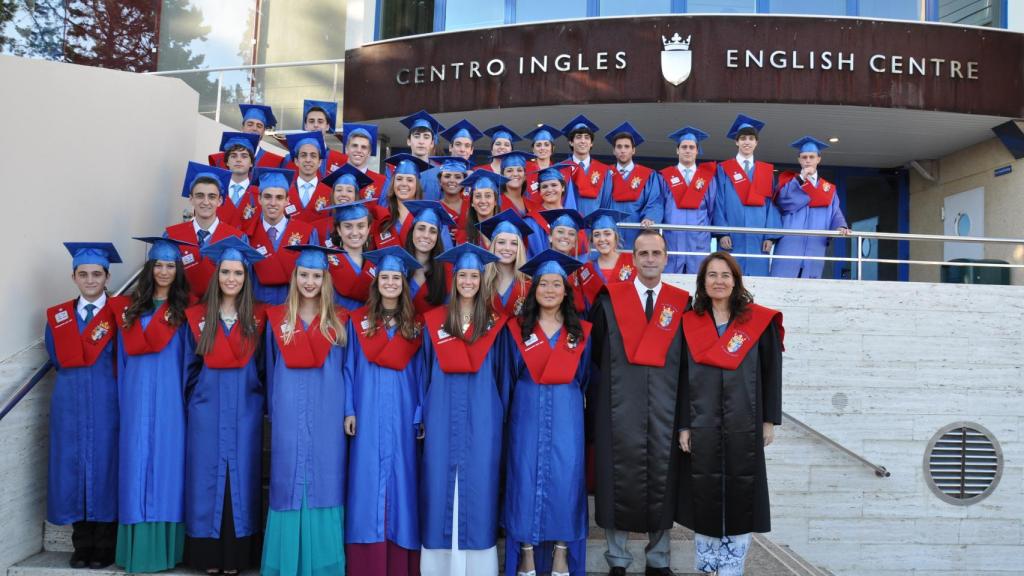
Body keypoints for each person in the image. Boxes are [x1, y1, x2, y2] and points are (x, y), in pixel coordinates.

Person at [589, 229, 690, 576]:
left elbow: (689, 362)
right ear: (632, 258)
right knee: (616, 481)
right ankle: (617, 560)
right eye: (643, 253)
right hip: (617, 406)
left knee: (663, 480)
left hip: (666, 406)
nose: (649, 259)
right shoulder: (608, 301)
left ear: (666, 258)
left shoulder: (682, 303)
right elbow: (597, 356)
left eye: (656, 253)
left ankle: (658, 559)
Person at [677, 251, 783, 576]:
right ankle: (708, 564)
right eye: (712, 275)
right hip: (701, 419)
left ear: (736, 281)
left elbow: (771, 371)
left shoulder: (757, 322)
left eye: (726, 275)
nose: (719, 281)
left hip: (745, 419)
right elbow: (680, 375)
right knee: (704, 489)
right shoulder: (690, 323)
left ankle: (732, 564)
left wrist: (768, 419)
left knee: (742, 489)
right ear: (703, 281)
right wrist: (684, 425)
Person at [420, 243, 510, 576]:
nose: (468, 281)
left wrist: (500, 416)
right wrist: (422, 414)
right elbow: (424, 371)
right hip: (441, 415)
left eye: (474, 275)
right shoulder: (434, 323)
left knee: (480, 484)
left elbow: (502, 376)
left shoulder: (495, 326)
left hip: (483, 417)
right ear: (454, 278)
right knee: (437, 481)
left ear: (482, 279)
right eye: (463, 276)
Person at [262, 243, 350, 576]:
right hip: (287, 408)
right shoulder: (278, 320)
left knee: (325, 478)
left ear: (325, 279)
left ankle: (324, 563)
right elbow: (270, 368)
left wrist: (348, 410)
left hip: (328, 410)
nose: (309, 282)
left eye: (316, 275)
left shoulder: (340, 322)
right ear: (294, 276)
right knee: (287, 476)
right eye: (304, 274)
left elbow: (347, 370)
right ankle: (286, 562)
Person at [504, 249, 592, 576]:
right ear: (534, 289)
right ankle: (526, 552)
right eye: (544, 284)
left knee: (566, 480)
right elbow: (510, 374)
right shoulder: (518, 330)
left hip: (568, 411)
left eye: (557, 284)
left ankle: (561, 552)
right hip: (526, 409)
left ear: (566, 291)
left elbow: (583, 377)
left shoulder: (580, 332)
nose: (550, 290)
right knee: (524, 478)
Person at [183, 236, 267, 575]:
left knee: (241, 479)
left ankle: (235, 557)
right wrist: (198, 400)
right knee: (206, 479)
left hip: (245, 410)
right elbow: (189, 368)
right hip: (207, 411)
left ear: (246, 278)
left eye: (238, 273)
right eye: (225, 272)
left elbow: (264, 366)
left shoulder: (258, 319)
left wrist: (255, 399)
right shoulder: (198, 318)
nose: (231, 279)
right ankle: (208, 557)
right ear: (216, 276)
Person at [110, 236, 195, 573]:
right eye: (158, 265)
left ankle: (166, 549)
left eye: (170, 265)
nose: (163, 270)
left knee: (167, 470)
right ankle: (135, 550)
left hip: (171, 402)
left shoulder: (186, 311)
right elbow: (121, 361)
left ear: (178, 270)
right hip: (134, 399)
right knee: (135, 467)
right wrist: (124, 400)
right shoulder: (131, 310)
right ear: (149, 269)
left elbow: (189, 362)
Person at [342, 247, 427, 576]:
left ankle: (399, 558)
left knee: (402, 480)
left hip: (404, 415)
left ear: (404, 284)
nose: (390, 282)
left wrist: (420, 410)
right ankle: (367, 561)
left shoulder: (415, 326)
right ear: (376, 282)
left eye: (396, 278)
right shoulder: (359, 322)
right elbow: (348, 368)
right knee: (365, 482)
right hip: (368, 412)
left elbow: (422, 372)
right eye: (385, 277)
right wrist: (349, 408)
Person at [45, 242, 122, 569]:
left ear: (107, 276)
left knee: (105, 467)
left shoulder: (119, 313)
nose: (90, 280)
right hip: (70, 403)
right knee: (73, 468)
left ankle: (105, 544)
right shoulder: (58, 317)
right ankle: (82, 543)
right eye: (83, 274)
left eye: (96, 274)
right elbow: (55, 357)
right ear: (73, 277)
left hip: (107, 401)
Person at [770, 137, 851, 279]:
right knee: (782, 283)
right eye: (804, 157)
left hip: (815, 244)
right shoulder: (789, 182)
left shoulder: (828, 189)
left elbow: (835, 213)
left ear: (818, 159)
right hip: (789, 243)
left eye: (811, 157)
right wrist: (800, 180)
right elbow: (783, 202)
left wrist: (840, 226)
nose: (808, 160)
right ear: (799, 160)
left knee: (809, 287)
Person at [165, 162, 246, 301]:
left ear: (220, 200)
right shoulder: (172, 235)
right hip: (179, 309)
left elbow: (243, 282)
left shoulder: (236, 238)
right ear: (191, 199)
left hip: (219, 311)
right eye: (200, 196)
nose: (206, 202)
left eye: (212, 196)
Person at [713, 114, 781, 277]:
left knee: (758, 284)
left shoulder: (765, 171)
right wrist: (722, 232)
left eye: (751, 138)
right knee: (729, 279)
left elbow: (772, 205)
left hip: (758, 238)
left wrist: (769, 236)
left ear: (756, 142)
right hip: (732, 237)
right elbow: (718, 201)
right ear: (736, 142)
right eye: (743, 138)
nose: (747, 142)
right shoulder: (724, 169)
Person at [248, 167, 318, 305]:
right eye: (267, 196)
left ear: (287, 200)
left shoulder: (307, 233)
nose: (273, 203)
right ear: (259, 198)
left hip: (292, 309)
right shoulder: (247, 235)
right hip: (255, 310)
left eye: (279, 197)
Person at [661, 126, 717, 274]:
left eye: (692, 147)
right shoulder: (665, 177)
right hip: (673, 237)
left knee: (699, 281)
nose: (688, 150)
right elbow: (661, 205)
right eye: (684, 147)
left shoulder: (707, 178)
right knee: (671, 282)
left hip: (698, 237)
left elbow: (711, 209)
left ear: (697, 151)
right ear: (677, 150)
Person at [604, 122, 664, 246]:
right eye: (619, 147)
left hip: (637, 231)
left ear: (633, 150)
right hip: (610, 232)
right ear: (614, 151)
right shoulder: (605, 174)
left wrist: (650, 217)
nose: (623, 150)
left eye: (627, 146)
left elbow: (655, 201)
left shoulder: (648, 175)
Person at [323, 199, 378, 310]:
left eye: (361, 226)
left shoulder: (377, 263)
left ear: (368, 229)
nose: (355, 232)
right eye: (348, 226)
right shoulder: (326, 261)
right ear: (339, 230)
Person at [403, 200, 455, 317]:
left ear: (438, 237)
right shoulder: (398, 266)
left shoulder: (446, 273)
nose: (426, 235)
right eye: (421, 228)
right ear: (412, 232)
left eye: (433, 231)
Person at [478, 209, 532, 317]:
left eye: (514, 243)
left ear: (520, 248)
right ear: (493, 245)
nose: (507, 248)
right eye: (501, 242)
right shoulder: (481, 282)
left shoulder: (529, 284)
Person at [577, 209, 635, 307]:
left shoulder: (632, 262)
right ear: (592, 239)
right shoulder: (586, 269)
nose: (602, 239)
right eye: (596, 235)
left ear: (615, 236)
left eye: (607, 233)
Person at [377, 153, 431, 249]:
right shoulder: (383, 215)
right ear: (393, 183)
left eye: (410, 180)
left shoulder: (428, 215)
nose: (403, 184)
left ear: (417, 185)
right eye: (399, 179)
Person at [561, 115, 610, 217]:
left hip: (594, 227)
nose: (583, 141)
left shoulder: (604, 170)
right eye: (578, 137)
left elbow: (606, 203)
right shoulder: (561, 168)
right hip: (567, 225)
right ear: (571, 142)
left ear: (591, 143)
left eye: (587, 138)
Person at [208, 104, 284, 169]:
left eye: (259, 126)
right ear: (242, 128)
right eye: (250, 124)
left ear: (263, 131)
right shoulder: (220, 159)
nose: (254, 129)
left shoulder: (275, 161)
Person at [391, 110, 444, 201]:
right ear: (408, 141)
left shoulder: (441, 173)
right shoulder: (395, 170)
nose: (421, 141)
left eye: (426, 137)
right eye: (416, 136)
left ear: (432, 143)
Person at [313, 165, 375, 241]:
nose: (343, 194)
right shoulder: (318, 228)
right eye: (339, 190)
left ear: (356, 195)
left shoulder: (365, 224)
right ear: (333, 194)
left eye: (349, 191)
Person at [283, 131, 334, 223]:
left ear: (320, 162)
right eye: (303, 155)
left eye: (313, 156)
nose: (308, 160)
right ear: (296, 161)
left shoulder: (330, 192)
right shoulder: (284, 191)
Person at [457, 170, 509, 247]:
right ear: (472, 203)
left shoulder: (507, 232)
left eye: (488, 196)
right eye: (478, 196)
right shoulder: (464, 237)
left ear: (495, 201)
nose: (483, 201)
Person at [432, 156, 473, 240]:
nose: (452, 180)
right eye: (447, 176)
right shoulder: (435, 208)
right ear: (440, 181)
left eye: (458, 177)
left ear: (464, 181)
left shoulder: (473, 205)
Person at [342, 122, 386, 199]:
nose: (359, 150)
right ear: (346, 149)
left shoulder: (381, 182)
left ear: (369, 152)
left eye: (364, 147)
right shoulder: (335, 178)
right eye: (354, 145)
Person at [523, 124, 562, 198]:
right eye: (538, 145)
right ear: (533, 149)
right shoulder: (524, 169)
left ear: (552, 148)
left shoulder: (558, 171)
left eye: (546, 145)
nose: (542, 148)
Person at [494, 151, 536, 216]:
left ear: (525, 176)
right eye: (509, 171)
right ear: (502, 175)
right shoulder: (496, 203)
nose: (515, 174)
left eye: (519, 170)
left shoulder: (531, 204)